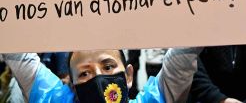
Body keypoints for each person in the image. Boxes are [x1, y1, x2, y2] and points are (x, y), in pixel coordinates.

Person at [1, 48, 202, 103]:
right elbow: (14, 47)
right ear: (72, 85)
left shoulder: (154, 99)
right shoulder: (53, 99)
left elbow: (182, 57)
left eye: (108, 67)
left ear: (129, 75)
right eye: (84, 73)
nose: (98, 77)